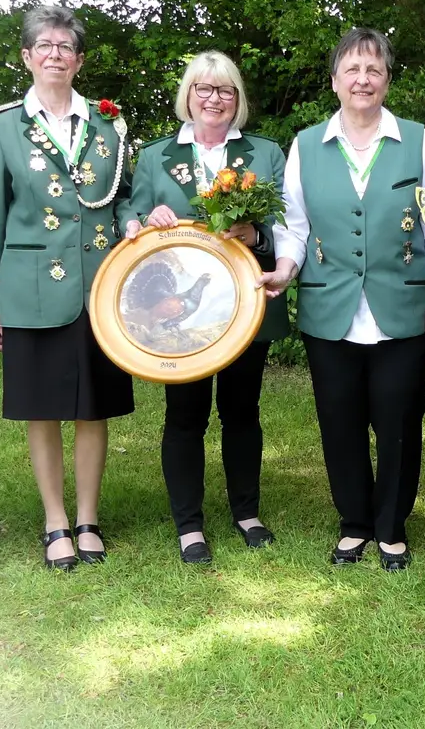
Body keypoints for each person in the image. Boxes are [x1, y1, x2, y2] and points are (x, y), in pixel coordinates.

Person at [254, 28, 425, 571]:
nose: (363, 80)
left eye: (374, 70)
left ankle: (391, 526)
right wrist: (285, 272)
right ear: (335, 80)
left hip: (404, 307)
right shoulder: (306, 144)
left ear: (387, 80)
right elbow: (294, 225)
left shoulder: (416, 140)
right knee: (339, 422)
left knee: (400, 423)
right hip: (328, 308)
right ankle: (354, 522)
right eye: (352, 70)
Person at [0, 5, 135, 571]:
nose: (54, 55)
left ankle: (88, 518)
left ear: (79, 60)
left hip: (99, 288)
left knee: (93, 409)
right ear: (26, 56)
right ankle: (54, 522)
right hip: (30, 293)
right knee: (42, 410)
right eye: (43, 45)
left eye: (65, 47)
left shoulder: (109, 126)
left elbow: (123, 203)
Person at [122, 51, 288, 565]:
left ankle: (246, 512)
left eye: (225, 90)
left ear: (237, 99)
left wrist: (255, 231)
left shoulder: (265, 154)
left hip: (243, 303)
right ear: (188, 95)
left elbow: (287, 222)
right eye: (204, 89)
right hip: (179, 313)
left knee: (242, 411)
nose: (214, 98)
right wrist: (143, 217)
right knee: (186, 414)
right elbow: (127, 209)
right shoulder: (154, 156)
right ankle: (189, 524)